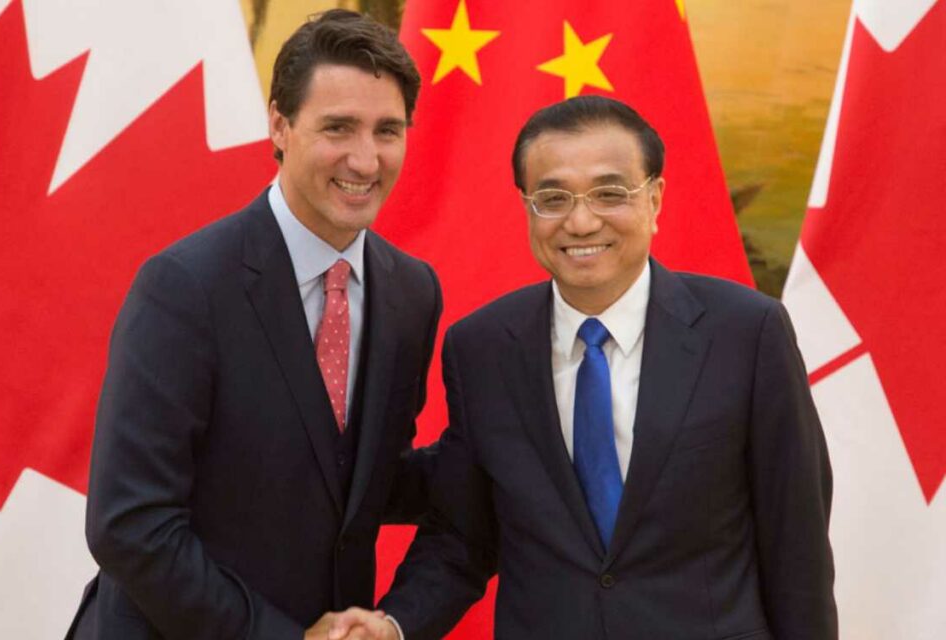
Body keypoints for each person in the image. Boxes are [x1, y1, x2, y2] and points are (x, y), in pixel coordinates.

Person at [333, 95, 837, 639]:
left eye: (609, 193)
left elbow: (797, 549)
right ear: (528, 206)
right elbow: (463, 537)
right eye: (552, 197)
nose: (580, 220)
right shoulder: (481, 349)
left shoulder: (747, 334)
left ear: (655, 199)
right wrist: (394, 625)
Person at [65, 10, 441, 640]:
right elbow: (130, 523)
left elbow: (360, 476)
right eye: (338, 127)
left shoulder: (412, 292)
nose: (365, 157)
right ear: (279, 124)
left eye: (387, 130)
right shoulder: (184, 287)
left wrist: (515, 452)